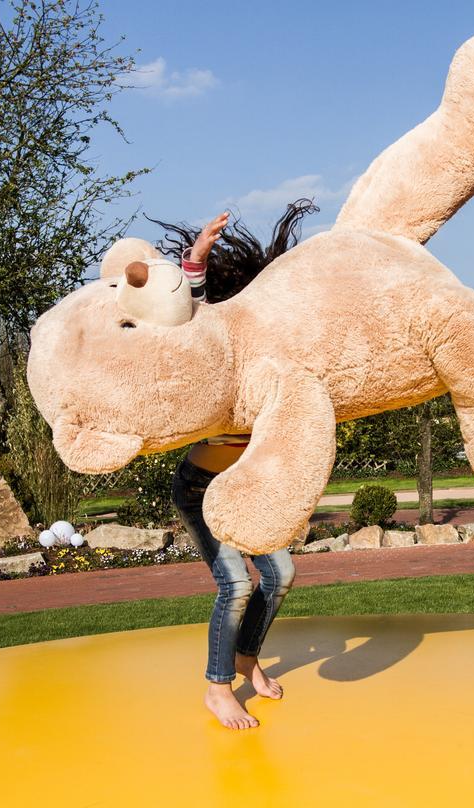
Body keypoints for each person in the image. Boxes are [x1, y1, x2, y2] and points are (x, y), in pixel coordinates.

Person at [171, 211, 295, 730]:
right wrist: (198, 256)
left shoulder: (277, 350)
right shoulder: (217, 345)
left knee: (281, 573)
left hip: (248, 487)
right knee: (236, 585)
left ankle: (247, 659)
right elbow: (196, 315)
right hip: (202, 486)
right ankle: (218, 688)